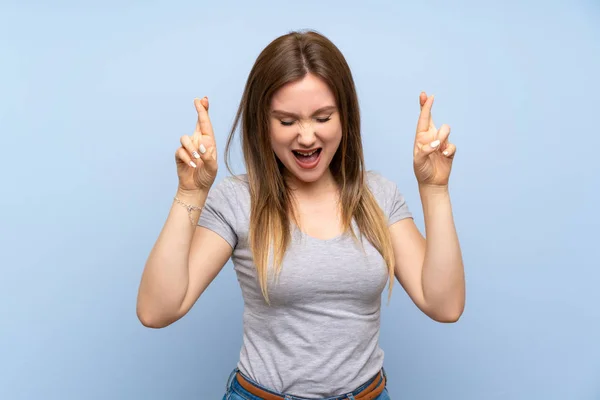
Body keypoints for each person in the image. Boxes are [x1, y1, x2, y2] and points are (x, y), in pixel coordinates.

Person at [136, 30, 465, 400]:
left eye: (322, 117)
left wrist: (434, 190)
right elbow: (156, 310)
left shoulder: (377, 196)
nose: (306, 137)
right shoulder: (238, 200)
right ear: (264, 124)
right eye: (287, 121)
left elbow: (445, 305)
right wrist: (191, 192)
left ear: (345, 118)